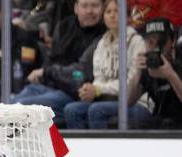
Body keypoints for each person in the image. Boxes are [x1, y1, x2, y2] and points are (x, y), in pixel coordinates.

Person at [64, 0, 148, 128]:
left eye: (117, 11)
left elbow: (130, 83)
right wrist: (90, 90)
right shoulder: (101, 43)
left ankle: (101, 148)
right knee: (71, 109)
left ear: (128, 17)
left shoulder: (138, 42)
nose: (113, 15)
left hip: (135, 102)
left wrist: (98, 89)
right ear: (103, 17)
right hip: (106, 99)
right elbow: (99, 78)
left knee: (96, 110)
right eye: (108, 12)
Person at [13, 0, 104, 116]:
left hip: (72, 92)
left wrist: (47, 72)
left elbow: (79, 74)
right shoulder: (64, 26)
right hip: (49, 86)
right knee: (7, 105)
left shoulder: (103, 37)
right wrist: (45, 73)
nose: (90, 11)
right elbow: (51, 59)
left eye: (95, 6)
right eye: (85, 6)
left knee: (18, 107)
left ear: (102, 8)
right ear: (76, 8)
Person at [128, 17, 182, 127]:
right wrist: (137, 73)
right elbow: (127, 103)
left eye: (161, 41)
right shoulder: (148, 64)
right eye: (150, 42)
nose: (156, 48)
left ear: (173, 41)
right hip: (161, 122)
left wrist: (171, 76)